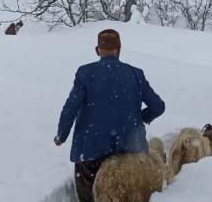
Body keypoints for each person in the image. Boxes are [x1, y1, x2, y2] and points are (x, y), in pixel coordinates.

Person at [54, 29, 165, 202]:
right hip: (131, 154)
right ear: (119, 49)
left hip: (90, 154)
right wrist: (140, 117)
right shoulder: (136, 74)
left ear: (97, 50)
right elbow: (158, 107)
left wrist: (61, 135)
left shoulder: (85, 73)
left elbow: (71, 106)